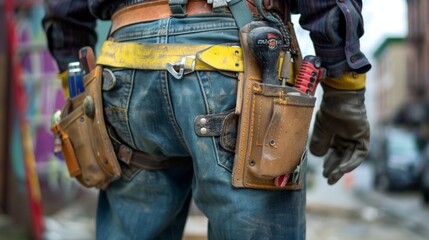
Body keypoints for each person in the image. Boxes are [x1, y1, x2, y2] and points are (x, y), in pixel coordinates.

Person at [43, 0, 371, 239]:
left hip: (123, 61)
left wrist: (75, 84)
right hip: (237, 54)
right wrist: (345, 88)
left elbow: (64, 9)